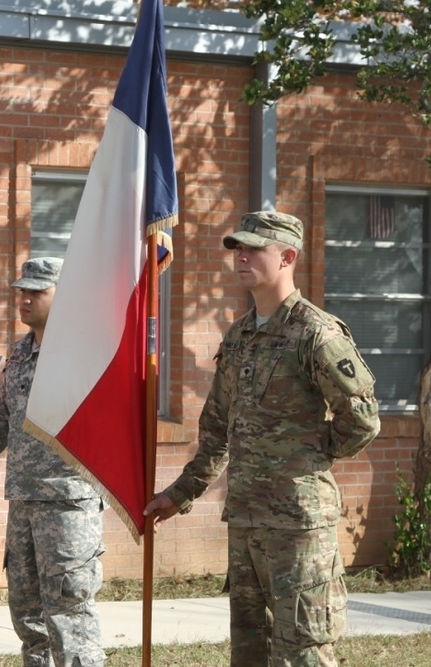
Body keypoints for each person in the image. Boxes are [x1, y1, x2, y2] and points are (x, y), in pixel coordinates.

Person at [144, 211, 381, 667]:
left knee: (302, 653)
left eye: (254, 248)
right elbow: (217, 430)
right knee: (250, 652)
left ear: (288, 256)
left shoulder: (315, 333)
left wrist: (310, 453)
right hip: (247, 520)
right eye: (238, 248)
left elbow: (363, 420)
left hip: (297, 524)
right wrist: (179, 495)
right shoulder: (239, 337)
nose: (242, 256)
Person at [0, 257, 106, 667]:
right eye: (22, 291)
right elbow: (0, 421)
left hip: (67, 504)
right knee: (28, 617)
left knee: (69, 616)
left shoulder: (85, 354)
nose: (24, 299)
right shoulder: (21, 353)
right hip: (24, 501)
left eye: (37, 292)